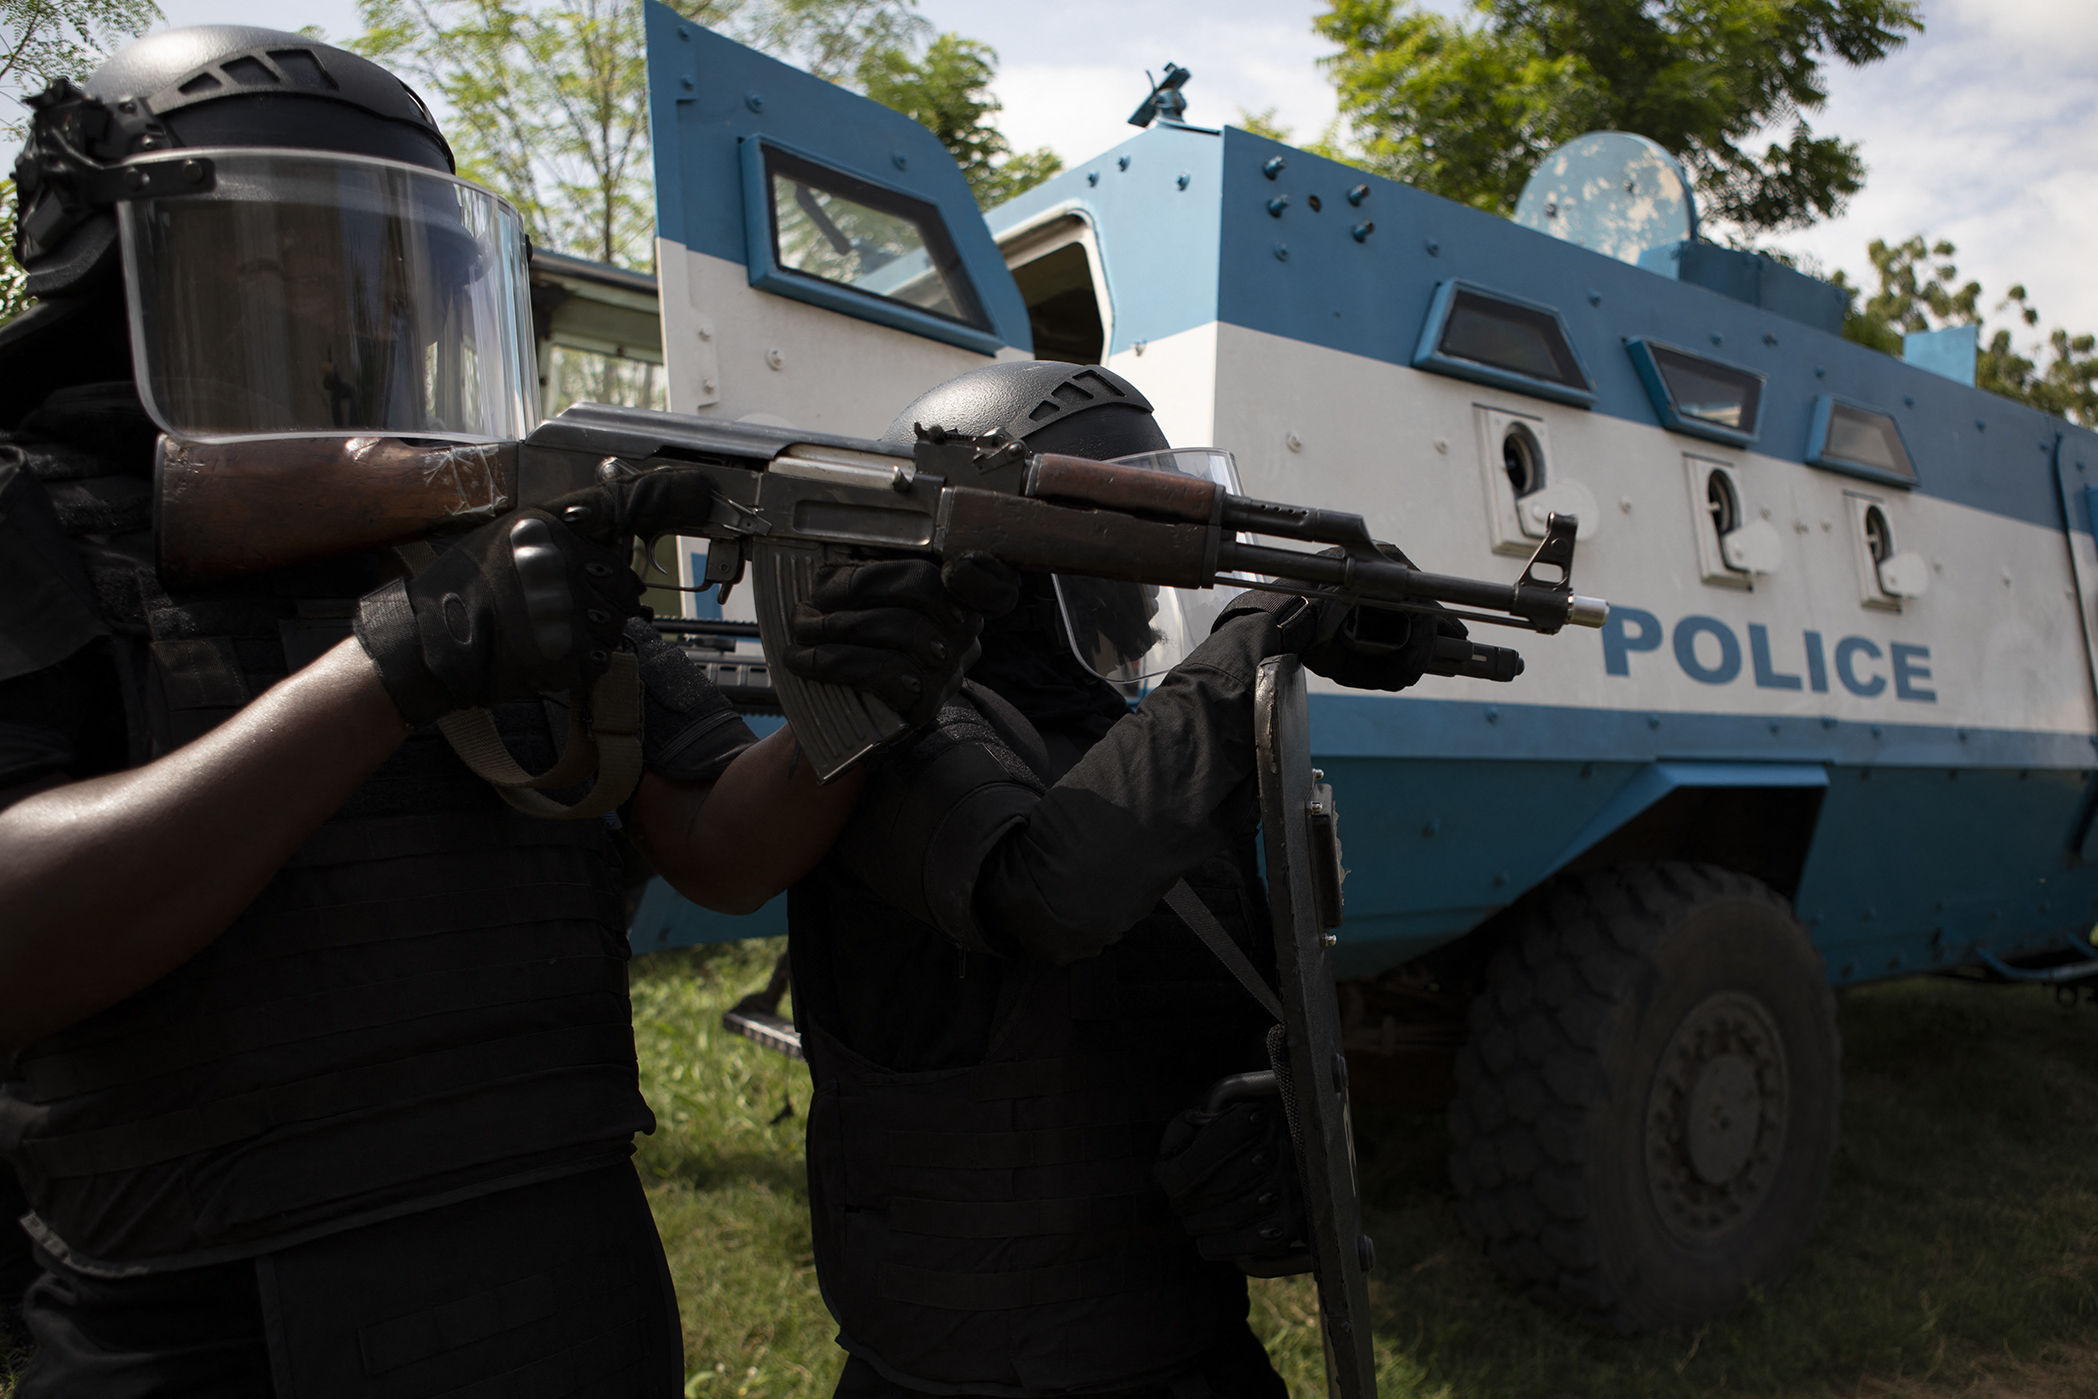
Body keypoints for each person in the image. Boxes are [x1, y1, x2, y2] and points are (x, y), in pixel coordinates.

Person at [0, 27, 1005, 1397]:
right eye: (286, 258)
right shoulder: (35, 515)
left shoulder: (497, 525)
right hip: (210, 1302)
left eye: (391, 264)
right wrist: (393, 668)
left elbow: (719, 848)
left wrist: (861, 700)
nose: (357, 309)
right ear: (119, 265)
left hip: (558, 1248)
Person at [782, 362, 1462, 1398]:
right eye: (1116, 550)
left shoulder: (1133, 749)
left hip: (1179, 1342)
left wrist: (1274, 1141)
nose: (1150, 594)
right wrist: (1256, 644)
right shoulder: (888, 735)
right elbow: (1050, 892)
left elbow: (1215, 1013)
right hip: (966, 1372)